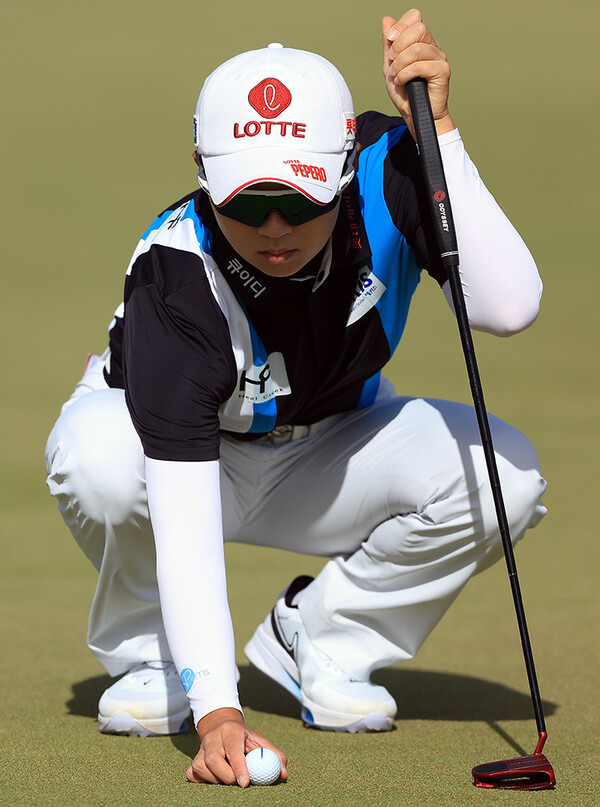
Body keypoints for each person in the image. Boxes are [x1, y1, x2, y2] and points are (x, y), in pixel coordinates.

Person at [45, 10, 547, 787]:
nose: (275, 228)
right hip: (182, 465)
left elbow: (508, 306)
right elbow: (179, 511)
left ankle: (322, 639)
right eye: (246, 204)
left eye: (303, 199)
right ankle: (157, 658)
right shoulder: (175, 278)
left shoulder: (392, 169)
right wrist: (218, 711)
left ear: (344, 166)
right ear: (202, 171)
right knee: (97, 457)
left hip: (330, 448)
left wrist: (439, 131)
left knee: (505, 473)